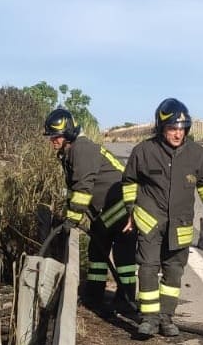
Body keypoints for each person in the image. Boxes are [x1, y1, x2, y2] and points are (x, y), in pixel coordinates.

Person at [122, 98, 203, 338]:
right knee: (147, 268)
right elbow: (129, 182)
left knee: (174, 271)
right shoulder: (144, 151)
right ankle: (148, 319)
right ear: (161, 128)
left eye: (181, 129)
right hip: (150, 220)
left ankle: (166, 318)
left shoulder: (197, 155)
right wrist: (130, 210)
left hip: (180, 224)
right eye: (172, 129)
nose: (177, 134)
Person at [44, 107, 137, 314]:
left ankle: (126, 301)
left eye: (56, 136)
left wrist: (73, 218)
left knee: (124, 260)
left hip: (120, 208)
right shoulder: (70, 151)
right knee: (97, 254)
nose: (53, 141)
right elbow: (74, 190)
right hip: (104, 211)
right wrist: (70, 214)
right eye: (51, 136)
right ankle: (95, 296)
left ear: (67, 133)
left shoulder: (81, 149)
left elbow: (83, 188)